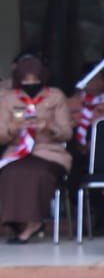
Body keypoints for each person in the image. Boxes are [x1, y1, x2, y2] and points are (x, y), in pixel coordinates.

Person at [0, 55, 73, 243]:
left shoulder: (55, 96)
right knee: (9, 173)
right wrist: (12, 129)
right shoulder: (7, 99)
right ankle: (16, 222)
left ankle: (33, 222)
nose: (30, 83)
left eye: (35, 79)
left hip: (49, 153)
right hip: (17, 152)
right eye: (25, 80)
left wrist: (49, 126)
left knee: (37, 173)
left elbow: (66, 133)